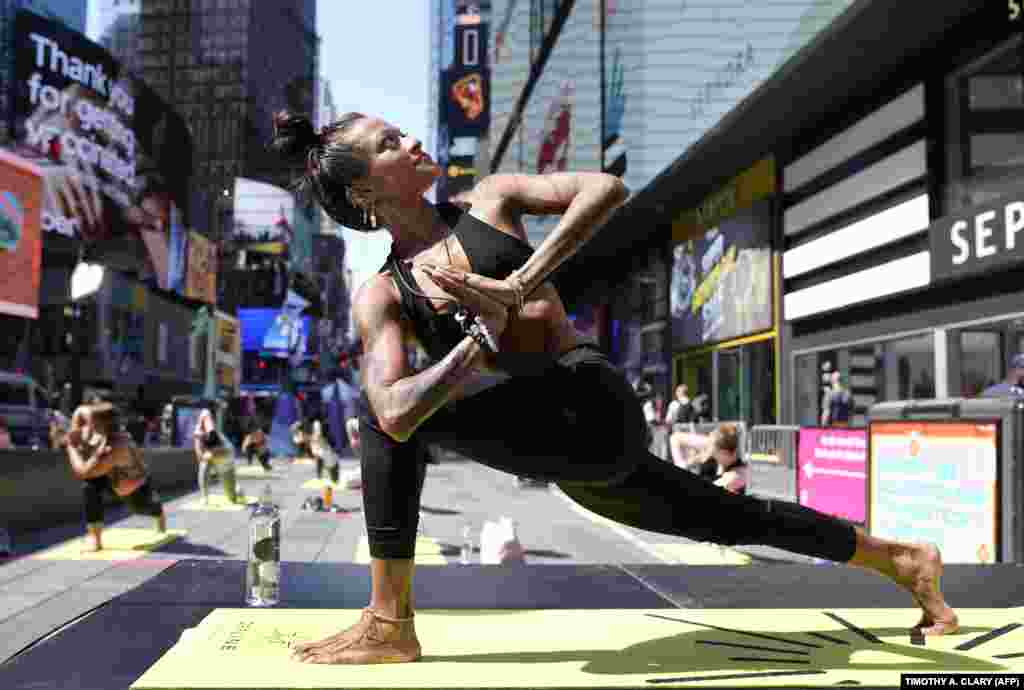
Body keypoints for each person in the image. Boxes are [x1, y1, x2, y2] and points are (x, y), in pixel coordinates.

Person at [269, 110, 957, 666]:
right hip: (566, 458)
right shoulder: (383, 293)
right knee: (727, 518)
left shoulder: (492, 197)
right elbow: (392, 405)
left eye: (404, 130)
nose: (413, 139)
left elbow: (604, 189)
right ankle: (903, 561)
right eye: (391, 142)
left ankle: (389, 622)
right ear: (366, 193)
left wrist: (516, 284)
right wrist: (480, 335)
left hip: (591, 405)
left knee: (388, 416)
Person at [64, 401, 166, 551]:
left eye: (92, 423)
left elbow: (83, 471)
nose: (88, 426)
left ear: (102, 424)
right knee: (90, 487)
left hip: (133, 485)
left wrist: (71, 446)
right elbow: (80, 411)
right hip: (110, 477)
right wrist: (75, 431)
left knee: (142, 508)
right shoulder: (98, 422)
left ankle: (159, 512)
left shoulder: (117, 446)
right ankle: (96, 541)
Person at [193, 407, 239, 504]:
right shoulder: (199, 432)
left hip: (225, 455)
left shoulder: (216, 435)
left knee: (232, 498)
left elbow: (224, 451)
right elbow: (199, 456)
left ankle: (237, 491)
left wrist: (210, 454)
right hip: (211, 455)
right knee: (203, 465)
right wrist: (203, 455)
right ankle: (204, 496)